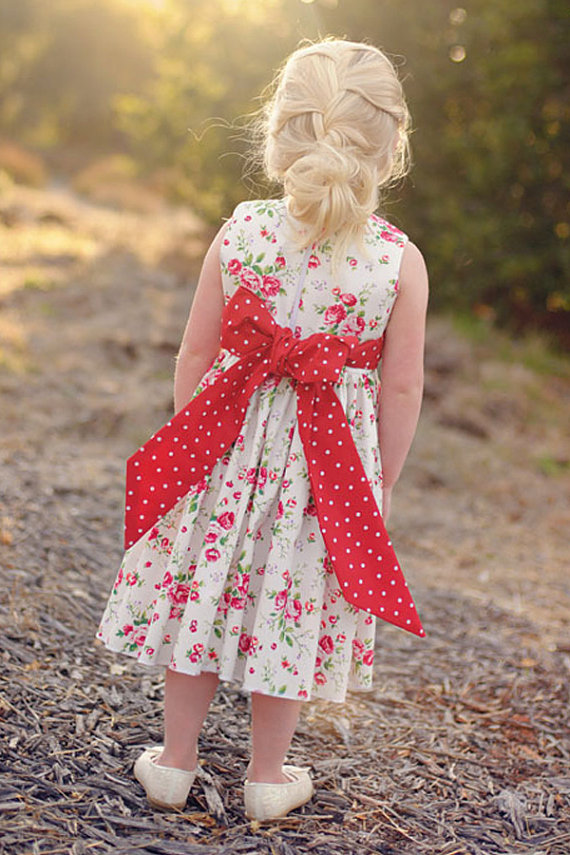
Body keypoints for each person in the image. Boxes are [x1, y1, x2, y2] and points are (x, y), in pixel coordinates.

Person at [96, 38, 429, 823]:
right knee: (291, 601)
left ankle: (173, 761)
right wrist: (380, 484)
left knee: (206, 593)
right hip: (327, 472)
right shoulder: (398, 261)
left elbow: (194, 351)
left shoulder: (241, 230)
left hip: (224, 452)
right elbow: (405, 385)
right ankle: (267, 776)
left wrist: (197, 444)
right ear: (389, 146)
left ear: (281, 132)